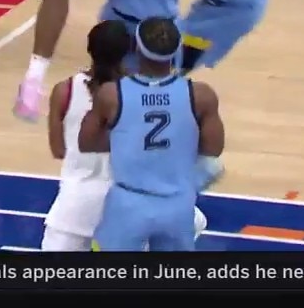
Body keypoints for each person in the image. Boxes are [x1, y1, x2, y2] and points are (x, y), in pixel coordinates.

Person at [78, 17, 225, 251]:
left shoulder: (111, 94)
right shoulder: (201, 95)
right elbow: (213, 149)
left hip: (128, 205)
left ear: (135, 48)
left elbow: (86, 142)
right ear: (177, 49)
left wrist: (128, 138)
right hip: (176, 205)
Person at [42, 19, 126, 251]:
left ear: (90, 50)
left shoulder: (64, 90)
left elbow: (58, 150)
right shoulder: (139, 93)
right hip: (122, 207)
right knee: (194, 221)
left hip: (74, 208)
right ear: (128, 52)